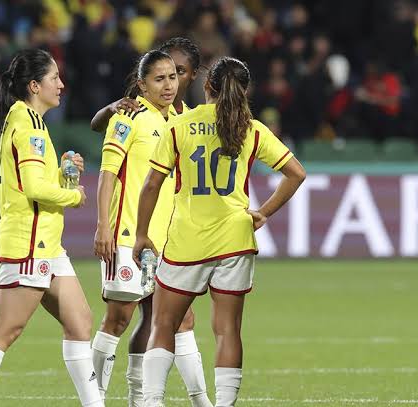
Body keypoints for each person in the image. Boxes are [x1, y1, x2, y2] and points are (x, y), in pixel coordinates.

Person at [133, 56, 306, 407]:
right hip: (234, 240)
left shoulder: (181, 125)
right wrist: (263, 213)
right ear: (245, 90)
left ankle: (151, 402)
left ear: (207, 86)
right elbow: (296, 174)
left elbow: (152, 184)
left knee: (164, 325)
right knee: (227, 330)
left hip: (187, 242)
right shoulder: (251, 129)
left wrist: (140, 234)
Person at [0, 49, 103, 407]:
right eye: (54, 78)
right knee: (6, 330)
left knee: (80, 322)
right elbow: (34, 189)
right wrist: (74, 195)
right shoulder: (28, 126)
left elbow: (36, 180)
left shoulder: (25, 122)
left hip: (47, 245)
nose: (61, 84)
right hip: (29, 243)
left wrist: (63, 173)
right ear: (34, 85)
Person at [91, 49, 213, 407]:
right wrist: (103, 226)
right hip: (128, 232)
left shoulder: (181, 120)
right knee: (118, 318)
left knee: (183, 319)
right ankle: (94, 397)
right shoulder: (128, 117)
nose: (168, 85)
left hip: (169, 239)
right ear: (142, 84)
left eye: (173, 77)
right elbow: (108, 174)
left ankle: (176, 399)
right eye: (159, 79)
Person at [90, 37, 201, 133]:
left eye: (179, 71)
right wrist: (110, 108)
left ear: (193, 74)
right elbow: (96, 126)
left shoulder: (192, 120)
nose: (171, 79)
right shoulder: (134, 109)